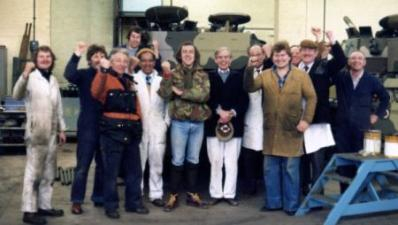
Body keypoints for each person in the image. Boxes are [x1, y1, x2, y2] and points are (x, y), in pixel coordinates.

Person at [244, 41, 317, 216]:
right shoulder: (266, 75)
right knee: (270, 170)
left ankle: (291, 205)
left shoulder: (301, 76)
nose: (280, 58)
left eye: (283, 55)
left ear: (290, 57)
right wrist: (248, 69)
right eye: (276, 55)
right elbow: (249, 87)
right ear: (273, 57)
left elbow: (312, 98)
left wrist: (306, 120)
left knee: (291, 171)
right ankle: (273, 202)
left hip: (292, 129)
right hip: (271, 130)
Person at [91, 48, 148, 219]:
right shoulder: (104, 77)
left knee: (134, 171)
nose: (122, 63)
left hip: (131, 131)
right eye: (118, 60)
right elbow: (95, 92)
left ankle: (134, 203)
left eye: (125, 61)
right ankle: (111, 206)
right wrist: (103, 69)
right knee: (111, 172)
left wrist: (139, 121)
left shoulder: (128, 79)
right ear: (110, 62)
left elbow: (136, 104)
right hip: (111, 132)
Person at [13, 46, 66, 225]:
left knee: (49, 173)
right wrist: (25, 75)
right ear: (36, 60)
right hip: (37, 132)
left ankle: (44, 206)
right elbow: (16, 94)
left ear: (52, 60)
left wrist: (62, 129)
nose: (45, 59)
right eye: (41, 57)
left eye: (48, 56)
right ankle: (28, 211)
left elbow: (58, 107)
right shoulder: (31, 78)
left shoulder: (53, 79)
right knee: (33, 173)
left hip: (51, 132)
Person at [158, 41, 211, 212]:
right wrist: (166, 76)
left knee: (194, 159)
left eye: (191, 52)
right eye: (185, 52)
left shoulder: (202, 74)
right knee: (177, 160)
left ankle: (192, 194)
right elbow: (165, 94)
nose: (188, 54)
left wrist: (181, 93)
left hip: (197, 122)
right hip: (179, 123)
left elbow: (205, 95)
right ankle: (173, 195)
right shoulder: (173, 73)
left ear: (195, 55)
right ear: (180, 55)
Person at [298, 30, 346, 195]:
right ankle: (303, 192)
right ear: (300, 52)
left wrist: (332, 40)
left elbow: (341, 60)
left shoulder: (323, 67)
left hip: (317, 122)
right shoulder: (294, 69)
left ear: (315, 53)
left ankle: (317, 194)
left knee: (317, 161)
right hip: (297, 122)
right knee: (301, 160)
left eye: (310, 50)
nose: (307, 53)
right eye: (304, 50)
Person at [333, 50, 389, 192]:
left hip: (362, 127)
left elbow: (385, 98)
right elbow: (336, 61)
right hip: (342, 127)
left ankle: (359, 193)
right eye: (353, 58)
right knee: (344, 161)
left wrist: (377, 115)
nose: (356, 61)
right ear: (349, 61)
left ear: (364, 62)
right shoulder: (341, 77)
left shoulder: (371, 80)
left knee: (361, 160)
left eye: (360, 58)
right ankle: (345, 193)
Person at [64, 42, 107, 214]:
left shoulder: (110, 75)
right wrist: (76, 54)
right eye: (96, 56)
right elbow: (69, 74)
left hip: (105, 126)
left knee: (102, 165)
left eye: (102, 56)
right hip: (88, 126)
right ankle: (77, 200)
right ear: (90, 61)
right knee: (83, 166)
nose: (99, 59)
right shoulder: (83, 75)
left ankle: (99, 197)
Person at [205, 47, 248, 206]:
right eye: (220, 57)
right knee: (215, 160)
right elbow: (206, 97)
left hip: (234, 125)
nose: (223, 60)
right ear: (215, 59)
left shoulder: (239, 76)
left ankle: (229, 193)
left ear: (231, 59)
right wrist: (219, 111)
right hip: (213, 124)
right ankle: (216, 193)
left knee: (231, 162)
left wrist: (231, 113)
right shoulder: (208, 76)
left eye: (227, 57)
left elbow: (244, 100)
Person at [133, 48, 169, 207]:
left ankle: (156, 194)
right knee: (138, 162)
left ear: (155, 62)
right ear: (140, 62)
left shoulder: (162, 80)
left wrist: (166, 123)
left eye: (150, 60)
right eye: (144, 60)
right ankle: (137, 192)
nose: (147, 63)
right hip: (139, 125)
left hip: (157, 125)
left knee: (157, 161)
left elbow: (169, 103)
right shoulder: (133, 79)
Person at [240, 44, 270, 195]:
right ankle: (250, 184)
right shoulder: (243, 72)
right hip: (249, 117)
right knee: (249, 152)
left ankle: (264, 183)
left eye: (259, 54)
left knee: (265, 153)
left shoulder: (271, 71)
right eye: (252, 54)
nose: (256, 58)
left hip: (266, 118)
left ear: (264, 56)